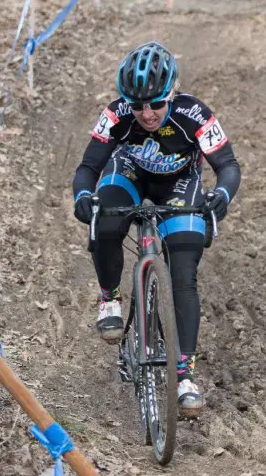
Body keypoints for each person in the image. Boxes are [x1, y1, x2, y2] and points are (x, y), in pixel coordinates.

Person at [71, 41, 241, 418]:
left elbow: (228, 166)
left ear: (172, 95)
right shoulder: (116, 115)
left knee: (183, 265)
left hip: (179, 183)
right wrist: (83, 195)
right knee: (108, 218)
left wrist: (222, 195)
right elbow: (88, 167)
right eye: (137, 105)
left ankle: (184, 375)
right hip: (128, 175)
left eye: (156, 104)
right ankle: (109, 296)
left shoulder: (195, 114)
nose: (146, 113)